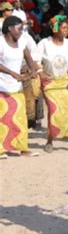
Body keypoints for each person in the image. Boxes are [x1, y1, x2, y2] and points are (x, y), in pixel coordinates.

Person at [32, 15, 68, 153]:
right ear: (55, 29)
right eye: (63, 28)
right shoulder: (44, 43)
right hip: (49, 82)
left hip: (64, 82)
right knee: (54, 110)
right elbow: (34, 60)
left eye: (67, 28)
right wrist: (40, 72)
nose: (66, 31)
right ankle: (50, 141)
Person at [0, 16, 39, 158]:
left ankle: (23, 149)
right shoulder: (1, 42)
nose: (21, 32)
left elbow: (29, 58)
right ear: (10, 28)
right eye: (19, 29)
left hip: (17, 87)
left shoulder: (22, 42)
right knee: (3, 120)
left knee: (20, 119)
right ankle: (1, 149)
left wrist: (33, 71)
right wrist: (11, 73)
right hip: (2, 87)